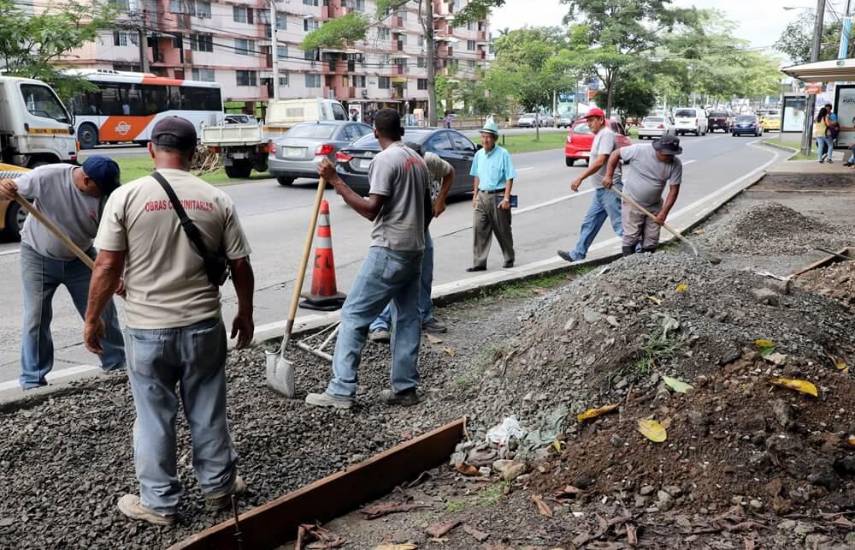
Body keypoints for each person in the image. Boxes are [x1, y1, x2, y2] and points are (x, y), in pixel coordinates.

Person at [83, 117, 255, 525]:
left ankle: (159, 503)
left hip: (146, 329)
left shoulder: (126, 197)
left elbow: (107, 265)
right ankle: (218, 487)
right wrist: (245, 312)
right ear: (195, 153)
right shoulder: (216, 199)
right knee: (208, 409)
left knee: (154, 416)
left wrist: (93, 319)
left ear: (150, 150)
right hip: (202, 324)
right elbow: (241, 265)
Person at [306, 109, 430, 410]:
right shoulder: (417, 160)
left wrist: (336, 179)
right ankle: (405, 388)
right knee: (408, 317)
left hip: (388, 250)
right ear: (400, 130)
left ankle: (341, 389)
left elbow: (372, 209)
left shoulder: (385, 160)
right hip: (415, 249)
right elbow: (427, 207)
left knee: (353, 315)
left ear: (376, 132)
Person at [0, 157, 125, 390]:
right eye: (101, 189)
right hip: (38, 255)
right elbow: (7, 189)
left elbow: (119, 244)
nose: (104, 195)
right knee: (36, 317)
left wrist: (118, 274)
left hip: (81, 256)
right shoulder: (48, 176)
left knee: (103, 311)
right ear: (86, 180)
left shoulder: (109, 198)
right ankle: (32, 380)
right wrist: (5, 189)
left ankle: (117, 364)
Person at [368, 143, 455, 342]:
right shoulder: (394, 165)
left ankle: (424, 315)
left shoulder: (430, 161)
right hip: (397, 231)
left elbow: (450, 172)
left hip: (421, 227)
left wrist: (441, 198)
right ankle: (379, 323)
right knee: (392, 277)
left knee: (425, 272)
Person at [556, 107, 623, 263]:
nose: (589, 124)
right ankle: (577, 254)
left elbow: (600, 161)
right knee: (590, 222)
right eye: (587, 121)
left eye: (592, 120)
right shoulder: (599, 135)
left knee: (619, 223)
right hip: (600, 190)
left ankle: (638, 252)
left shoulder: (606, 134)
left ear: (601, 120)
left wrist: (580, 177)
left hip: (610, 188)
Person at [602, 134, 683, 256]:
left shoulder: (675, 164)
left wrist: (664, 213)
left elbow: (674, 190)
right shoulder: (639, 150)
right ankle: (629, 263)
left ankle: (646, 266)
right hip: (632, 201)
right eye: (666, 154)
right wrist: (608, 175)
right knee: (631, 236)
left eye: (672, 154)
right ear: (658, 149)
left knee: (652, 239)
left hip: (654, 205)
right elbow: (615, 154)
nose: (669, 157)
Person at [467, 119, 516, 271]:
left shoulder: (503, 154)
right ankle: (479, 262)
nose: (485, 139)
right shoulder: (479, 155)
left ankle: (509, 257)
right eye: (483, 136)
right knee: (478, 228)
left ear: (494, 138)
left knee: (503, 229)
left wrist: (507, 198)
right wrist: (475, 196)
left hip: (498, 196)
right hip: (482, 195)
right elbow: (476, 176)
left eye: (488, 136)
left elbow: (509, 177)